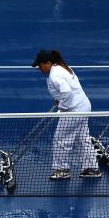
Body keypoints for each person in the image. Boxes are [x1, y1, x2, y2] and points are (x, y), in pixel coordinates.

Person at [32, 50, 101, 180]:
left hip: (74, 110)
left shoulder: (55, 75)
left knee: (61, 139)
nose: (39, 69)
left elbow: (67, 92)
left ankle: (62, 169)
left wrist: (62, 106)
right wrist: (60, 101)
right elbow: (70, 90)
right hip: (83, 106)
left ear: (48, 63)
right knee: (82, 138)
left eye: (40, 66)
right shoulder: (62, 67)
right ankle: (91, 168)